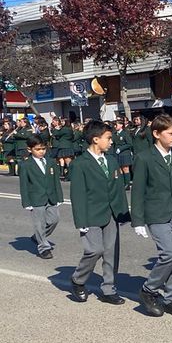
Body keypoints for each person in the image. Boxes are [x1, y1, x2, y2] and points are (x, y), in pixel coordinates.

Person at [131, 114, 172, 317]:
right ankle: (149, 290)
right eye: (170, 133)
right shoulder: (144, 157)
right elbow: (138, 190)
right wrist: (138, 220)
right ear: (156, 134)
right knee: (169, 255)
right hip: (156, 213)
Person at [69, 121, 130, 305]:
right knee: (94, 250)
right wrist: (81, 221)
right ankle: (78, 280)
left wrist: (124, 213)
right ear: (96, 139)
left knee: (111, 252)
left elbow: (118, 189)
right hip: (91, 215)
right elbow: (77, 195)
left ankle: (109, 289)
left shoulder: (111, 160)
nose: (111, 142)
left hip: (111, 214)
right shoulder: (80, 164)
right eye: (108, 138)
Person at [19, 134, 62, 259]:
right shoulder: (25, 165)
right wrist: (26, 202)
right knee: (39, 224)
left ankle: (37, 237)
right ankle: (44, 248)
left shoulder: (50, 162)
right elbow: (24, 185)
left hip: (51, 197)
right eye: (38, 149)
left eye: (43, 148)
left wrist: (59, 197)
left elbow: (56, 181)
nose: (41, 151)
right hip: (36, 198)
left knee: (54, 220)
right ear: (29, 150)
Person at [51, 117, 76, 181]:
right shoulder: (70, 129)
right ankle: (69, 175)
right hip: (68, 145)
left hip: (65, 146)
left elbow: (56, 134)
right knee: (67, 161)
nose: (61, 122)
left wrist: (55, 129)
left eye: (63, 121)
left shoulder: (64, 129)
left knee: (68, 162)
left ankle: (70, 176)